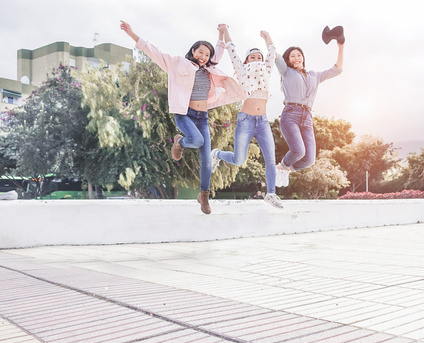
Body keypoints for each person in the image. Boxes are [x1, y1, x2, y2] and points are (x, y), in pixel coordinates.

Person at [119, 21, 246, 214]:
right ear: (193, 50)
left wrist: (221, 34)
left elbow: (218, 52)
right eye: (200, 52)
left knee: (206, 160)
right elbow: (154, 51)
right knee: (196, 140)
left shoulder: (210, 67)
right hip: (184, 114)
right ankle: (179, 142)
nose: (203, 56)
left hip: (202, 117)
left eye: (206, 54)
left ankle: (203, 196)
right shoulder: (177, 63)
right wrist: (132, 34)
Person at [210, 25, 283, 209]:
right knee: (239, 159)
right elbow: (231, 49)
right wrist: (226, 30)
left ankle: (271, 193)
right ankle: (217, 154)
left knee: (271, 159)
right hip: (246, 120)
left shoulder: (266, 70)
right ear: (246, 61)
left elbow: (272, 52)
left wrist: (267, 37)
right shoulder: (242, 70)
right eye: (253, 57)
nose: (257, 60)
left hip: (263, 121)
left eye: (259, 57)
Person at [274, 35, 344, 186]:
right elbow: (275, 56)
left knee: (309, 159)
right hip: (291, 114)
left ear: (303, 58)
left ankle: (284, 169)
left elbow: (337, 70)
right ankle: (281, 166)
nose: (297, 58)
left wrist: (340, 46)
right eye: (293, 56)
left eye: (299, 55)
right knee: (298, 151)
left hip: (307, 117)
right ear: (288, 60)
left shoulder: (314, 75)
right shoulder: (286, 71)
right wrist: (268, 38)